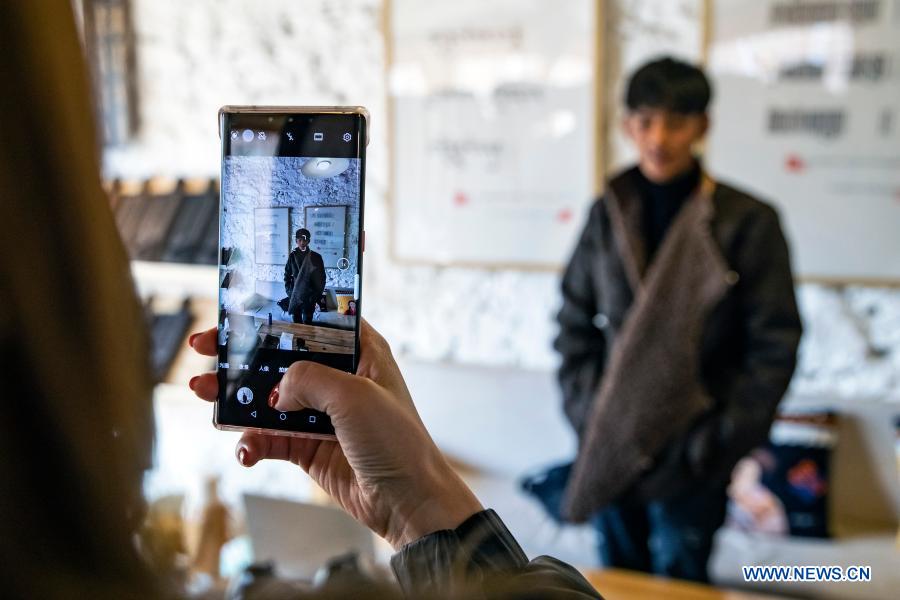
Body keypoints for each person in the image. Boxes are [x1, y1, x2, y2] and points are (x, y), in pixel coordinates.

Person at [0, 4, 599, 597]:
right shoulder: (293, 257)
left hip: (311, 311)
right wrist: (419, 505)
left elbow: (311, 279)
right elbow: (292, 276)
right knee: (288, 330)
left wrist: (413, 504)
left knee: (305, 334)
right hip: (298, 307)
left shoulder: (313, 262)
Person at [554, 57, 802, 582]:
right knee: (614, 586)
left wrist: (717, 443)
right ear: (627, 126)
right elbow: (572, 324)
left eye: (676, 122)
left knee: (681, 584)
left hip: (694, 453)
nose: (659, 138)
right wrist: (588, 412)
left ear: (702, 126)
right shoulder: (608, 213)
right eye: (645, 121)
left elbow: (773, 345)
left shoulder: (747, 221)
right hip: (612, 440)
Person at [284, 228, 326, 325]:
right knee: (296, 323)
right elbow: (287, 275)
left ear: (308, 241)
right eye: (300, 240)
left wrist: (315, 296)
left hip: (309, 297)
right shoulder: (292, 256)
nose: (302, 242)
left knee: (308, 323)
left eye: (305, 240)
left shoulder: (316, 257)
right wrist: (289, 291)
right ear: (296, 241)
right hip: (295, 295)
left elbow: (322, 278)